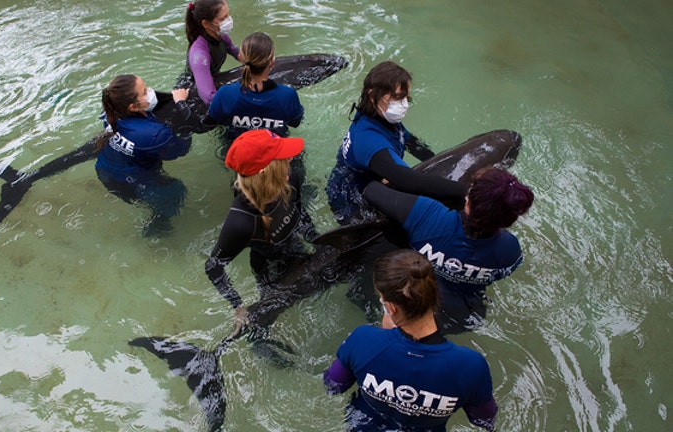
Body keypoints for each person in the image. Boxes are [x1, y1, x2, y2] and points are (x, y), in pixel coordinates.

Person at [324, 248, 498, 431]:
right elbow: (484, 419)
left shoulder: (363, 340)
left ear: (390, 308)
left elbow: (333, 385)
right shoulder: (471, 366)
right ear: (434, 294)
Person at [363, 167, 534, 334]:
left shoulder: (429, 215)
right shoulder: (511, 250)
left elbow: (371, 190)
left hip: (409, 308)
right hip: (460, 317)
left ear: (468, 202)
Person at [325, 60, 466, 225]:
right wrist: (466, 191)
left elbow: (410, 142)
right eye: (397, 97)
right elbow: (408, 181)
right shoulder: (367, 138)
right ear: (372, 96)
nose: (404, 105)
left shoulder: (380, 117)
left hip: (375, 180)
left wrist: (438, 161)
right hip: (351, 202)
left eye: (406, 97)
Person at [205, 129, 317, 333]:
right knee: (264, 319)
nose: (291, 158)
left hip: (295, 248)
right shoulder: (241, 222)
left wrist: (316, 240)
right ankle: (259, 341)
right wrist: (238, 306)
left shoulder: (290, 177)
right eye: (283, 158)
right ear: (267, 171)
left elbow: (300, 212)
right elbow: (213, 267)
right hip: (269, 267)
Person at [94, 74, 192, 235]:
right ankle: (158, 226)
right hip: (130, 183)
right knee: (176, 190)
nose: (150, 91)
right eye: (145, 91)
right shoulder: (153, 135)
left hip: (104, 170)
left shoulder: (112, 109)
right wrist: (182, 106)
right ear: (132, 107)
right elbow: (181, 149)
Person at [209, 32, 304, 142]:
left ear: (240, 58)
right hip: (276, 155)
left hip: (237, 153)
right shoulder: (287, 95)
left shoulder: (225, 94)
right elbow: (295, 122)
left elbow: (212, 121)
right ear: (272, 63)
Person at [177, 0, 240, 105]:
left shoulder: (221, 36)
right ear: (206, 24)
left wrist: (261, 62)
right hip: (190, 91)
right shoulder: (200, 54)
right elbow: (209, 98)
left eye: (228, 15)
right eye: (223, 18)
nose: (228, 20)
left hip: (211, 79)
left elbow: (238, 54)